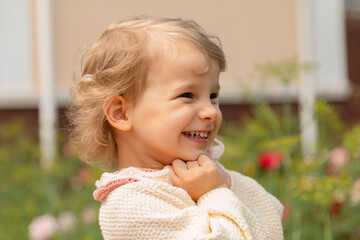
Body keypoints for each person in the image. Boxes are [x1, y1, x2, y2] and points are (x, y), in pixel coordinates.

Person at [68, 17, 284, 240]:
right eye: (187, 95)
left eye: (213, 96)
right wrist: (214, 192)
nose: (210, 111)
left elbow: (271, 216)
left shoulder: (207, 175)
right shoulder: (130, 204)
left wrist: (221, 184)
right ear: (120, 113)